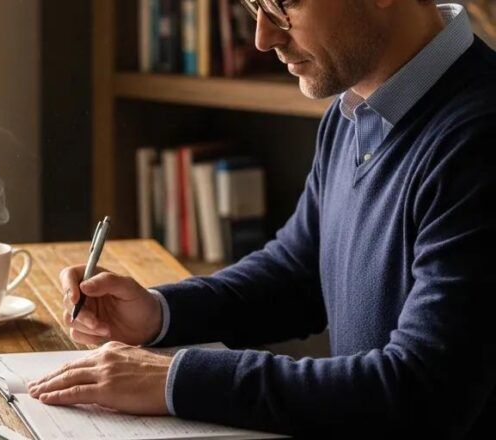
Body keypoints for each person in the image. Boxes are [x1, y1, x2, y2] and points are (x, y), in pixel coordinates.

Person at [26, 0, 496, 436]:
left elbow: (425, 389)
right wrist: (158, 313)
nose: (263, 37)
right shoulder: (355, 110)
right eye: (255, 5)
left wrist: (178, 379)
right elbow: (296, 273)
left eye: (282, 5)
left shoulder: (479, 136)